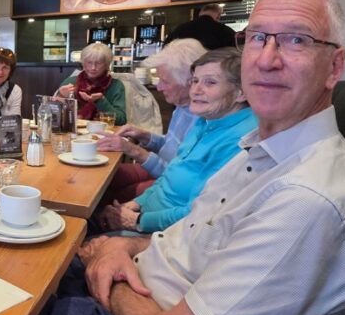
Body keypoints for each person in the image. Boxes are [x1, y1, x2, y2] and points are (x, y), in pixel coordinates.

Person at [80, 0, 345, 315]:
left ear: (334, 67)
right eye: (257, 37)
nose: (267, 58)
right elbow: (192, 236)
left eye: (296, 39)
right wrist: (125, 247)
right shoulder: (258, 150)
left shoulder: (307, 199)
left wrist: (113, 262)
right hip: (134, 294)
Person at [97, 48, 257, 233]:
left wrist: (137, 220)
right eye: (195, 81)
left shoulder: (242, 141)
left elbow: (199, 215)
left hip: (167, 234)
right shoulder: (206, 119)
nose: (195, 90)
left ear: (241, 93)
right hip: (150, 213)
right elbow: (170, 174)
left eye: (210, 82)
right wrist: (134, 205)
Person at [97, 39, 207, 200]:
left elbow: (178, 178)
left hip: (170, 184)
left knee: (109, 197)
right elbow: (171, 146)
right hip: (162, 169)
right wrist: (144, 135)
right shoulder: (182, 106)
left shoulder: (205, 118)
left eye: (165, 81)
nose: (159, 87)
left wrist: (133, 150)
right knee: (104, 178)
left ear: (190, 82)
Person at [55, 43, 126, 125]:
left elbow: (121, 121)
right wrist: (61, 96)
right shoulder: (70, 82)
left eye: (98, 63)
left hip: (105, 133)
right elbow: (53, 117)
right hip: (74, 133)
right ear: (83, 63)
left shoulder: (116, 86)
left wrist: (101, 101)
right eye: (89, 62)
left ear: (107, 65)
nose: (93, 68)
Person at [163, 3, 236, 50]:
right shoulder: (225, 31)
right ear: (218, 16)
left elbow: (165, 49)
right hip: (212, 72)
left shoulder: (180, 29)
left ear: (200, 14)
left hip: (181, 72)